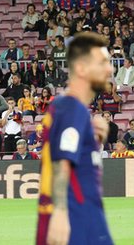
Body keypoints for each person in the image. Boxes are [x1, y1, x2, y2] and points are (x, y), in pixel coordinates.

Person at [36, 32, 114, 245]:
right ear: (81, 68)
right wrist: (60, 213)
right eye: (103, 62)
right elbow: (61, 163)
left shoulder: (64, 108)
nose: (110, 69)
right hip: (77, 221)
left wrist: (92, 139)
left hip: (78, 218)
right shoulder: (73, 110)